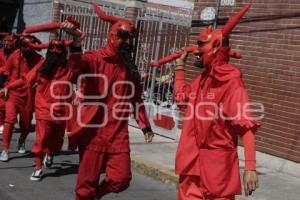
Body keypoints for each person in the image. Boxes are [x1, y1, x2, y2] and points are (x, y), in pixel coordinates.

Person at [63, 3, 154, 200]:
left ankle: (96, 195)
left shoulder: (130, 67)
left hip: (118, 134)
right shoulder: (94, 58)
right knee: (86, 184)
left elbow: (136, 97)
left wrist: (145, 125)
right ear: (112, 37)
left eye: (130, 38)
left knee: (121, 178)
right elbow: (76, 65)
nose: (127, 42)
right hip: (93, 132)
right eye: (123, 37)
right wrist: (77, 41)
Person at [170, 4, 260, 200]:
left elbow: (246, 125)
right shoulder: (200, 80)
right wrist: (179, 69)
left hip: (218, 170)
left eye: (201, 45)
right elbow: (180, 99)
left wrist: (250, 166)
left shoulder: (231, 84)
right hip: (191, 166)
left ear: (216, 47)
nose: (197, 51)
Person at [0, 35, 44, 161]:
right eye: (24, 46)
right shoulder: (14, 55)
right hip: (13, 93)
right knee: (10, 120)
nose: (26, 49)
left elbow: (42, 77)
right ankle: (5, 149)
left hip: (29, 95)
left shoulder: (40, 59)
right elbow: (5, 70)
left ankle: (22, 140)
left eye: (29, 46)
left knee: (26, 125)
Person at [0, 33, 17, 133]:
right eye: (5, 43)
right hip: (3, 79)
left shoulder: (18, 53)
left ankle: (12, 122)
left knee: (14, 103)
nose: (7, 45)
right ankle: (2, 123)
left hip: (14, 80)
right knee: (2, 103)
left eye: (9, 43)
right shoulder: (0, 53)